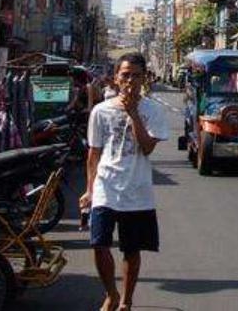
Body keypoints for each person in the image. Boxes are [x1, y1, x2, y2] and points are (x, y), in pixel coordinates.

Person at [79, 52, 169, 311]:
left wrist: (133, 114)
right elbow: (93, 154)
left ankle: (127, 301)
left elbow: (148, 148)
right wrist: (88, 190)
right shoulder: (100, 111)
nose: (130, 80)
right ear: (116, 78)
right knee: (99, 244)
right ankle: (111, 293)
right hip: (105, 187)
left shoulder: (153, 110)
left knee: (131, 249)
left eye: (136, 76)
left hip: (137, 192)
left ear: (145, 79)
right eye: (125, 75)